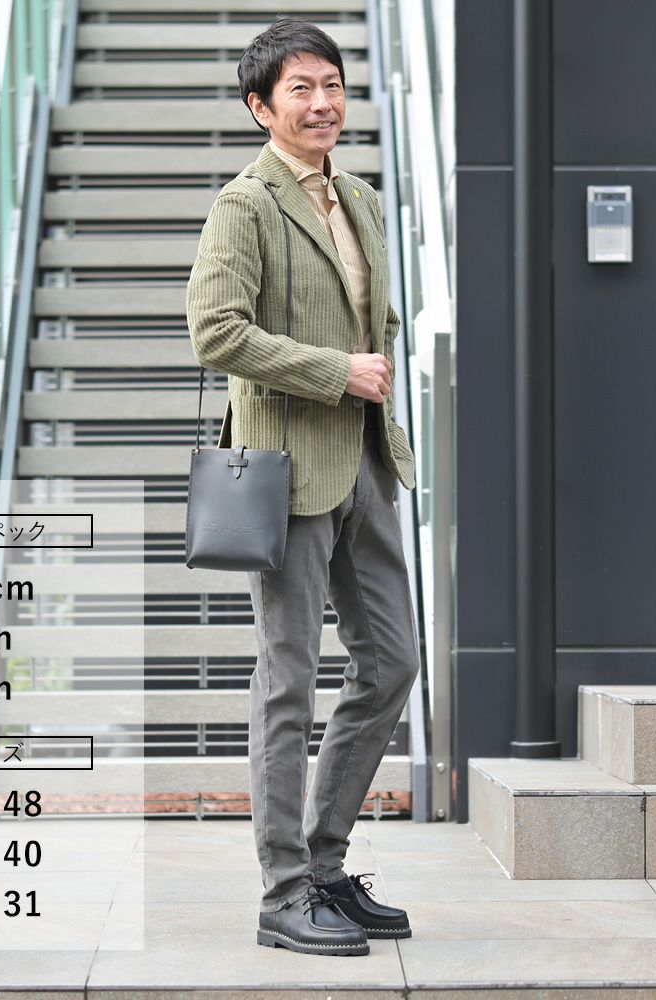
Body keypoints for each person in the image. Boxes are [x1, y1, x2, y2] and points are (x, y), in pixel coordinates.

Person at [185, 16, 421, 956]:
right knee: (288, 681)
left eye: (332, 85)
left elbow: (374, 319)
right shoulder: (244, 206)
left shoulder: (359, 198)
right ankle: (283, 893)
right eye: (300, 89)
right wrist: (337, 371)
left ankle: (325, 867)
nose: (323, 103)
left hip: (365, 460)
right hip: (286, 470)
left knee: (392, 662)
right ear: (261, 107)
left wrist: (370, 369)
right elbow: (216, 331)